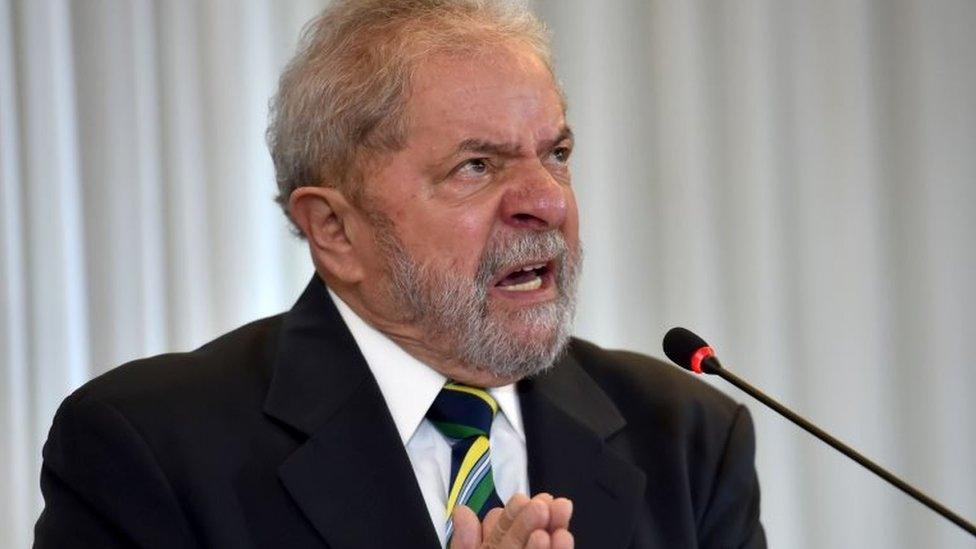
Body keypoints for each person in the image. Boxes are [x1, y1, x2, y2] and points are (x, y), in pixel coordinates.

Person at [34, 1, 766, 547]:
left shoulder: (685, 436)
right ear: (336, 230)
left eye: (557, 153)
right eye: (476, 166)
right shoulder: (149, 450)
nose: (546, 201)